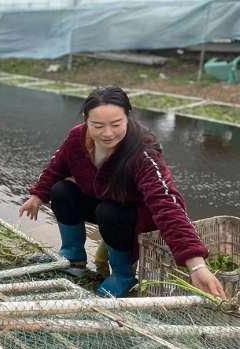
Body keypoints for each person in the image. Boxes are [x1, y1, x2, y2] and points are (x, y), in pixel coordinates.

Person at [19, 86, 225, 298]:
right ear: (85, 119)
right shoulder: (77, 137)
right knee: (61, 191)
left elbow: (166, 203)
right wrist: (37, 196)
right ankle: (73, 259)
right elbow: (57, 167)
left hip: (132, 215)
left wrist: (197, 266)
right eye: (97, 125)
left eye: (116, 124)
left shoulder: (143, 151)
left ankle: (123, 275)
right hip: (103, 202)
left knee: (108, 212)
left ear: (128, 117)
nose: (107, 133)